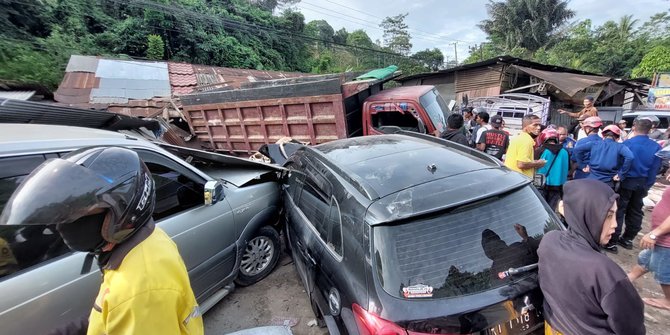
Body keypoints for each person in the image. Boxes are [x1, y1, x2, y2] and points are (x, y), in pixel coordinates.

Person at [0, 147, 204, 335]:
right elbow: (107, 313)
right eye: (63, 214)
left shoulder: (138, 290)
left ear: (122, 210)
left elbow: (125, 304)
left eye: (77, 214)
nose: (63, 226)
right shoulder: (140, 242)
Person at [538, 179, 645, 335]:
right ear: (586, 213)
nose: (615, 225)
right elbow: (631, 327)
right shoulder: (605, 271)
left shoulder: (549, 240)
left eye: (615, 215)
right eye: (608, 216)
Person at [612, 118, 662, 252]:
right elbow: (655, 169)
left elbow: (620, 164)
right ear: (650, 129)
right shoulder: (656, 146)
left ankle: (613, 239)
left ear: (634, 127)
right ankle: (628, 238)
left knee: (619, 210)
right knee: (636, 210)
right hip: (642, 182)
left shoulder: (627, 144)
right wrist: (648, 185)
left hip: (626, 181)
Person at [627, 174, 670, 311]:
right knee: (645, 259)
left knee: (662, 270)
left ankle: (668, 301)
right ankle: (628, 279)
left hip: (666, 240)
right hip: (661, 236)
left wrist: (654, 234)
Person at [574, 124, 634, 188]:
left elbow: (577, 149)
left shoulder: (594, 144)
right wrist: (621, 174)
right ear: (618, 138)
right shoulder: (620, 147)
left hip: (591, 179)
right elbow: (630, 157)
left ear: (603, 135)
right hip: (609, 182)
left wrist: (582, 165)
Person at [534, 128, 569, 211]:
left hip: (541, 184)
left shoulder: (541, 150)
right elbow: (568, 168)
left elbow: (533, 165)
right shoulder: (565, 151)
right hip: (558, 186)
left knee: (540, 209)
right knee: (550, 210)